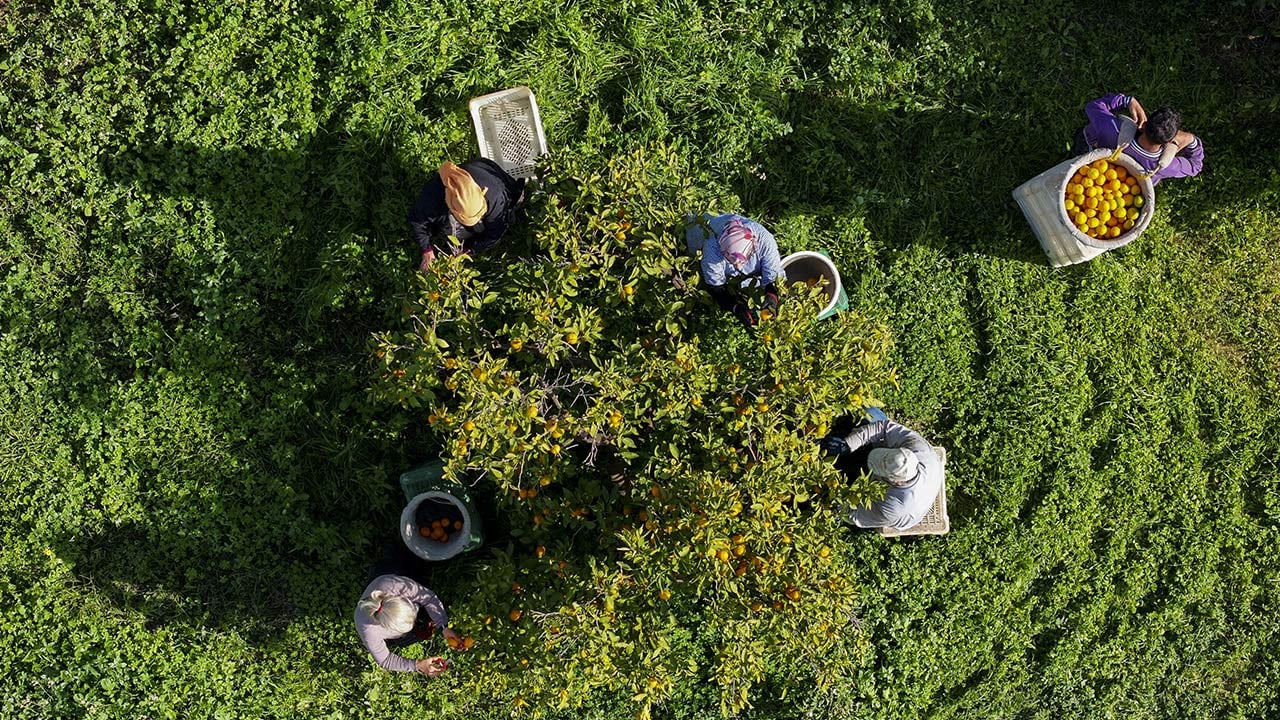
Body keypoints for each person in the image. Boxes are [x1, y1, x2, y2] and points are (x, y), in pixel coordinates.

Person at [819, 409, 945, 531]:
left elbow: (855, 514)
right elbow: (884, 428)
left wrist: (834, 498)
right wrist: (848, 444)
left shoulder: (893, 507)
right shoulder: (917, 448)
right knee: (871, 413)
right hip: (932, 473)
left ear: (895, 482)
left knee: (832, 507)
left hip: (906, 512)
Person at [408, 158, 526, 271]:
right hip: (480, 171)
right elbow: (417, 219)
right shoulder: (436, 191)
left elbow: (493, 235)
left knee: (460, 231)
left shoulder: (496, 200)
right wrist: (427, 250)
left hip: (502, 185)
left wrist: (468, 250)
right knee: (445, 225)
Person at [1071, 93, 1204, 184]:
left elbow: (1093, 106)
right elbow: (1196, 166)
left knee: (1084, 139)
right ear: (1168, 142)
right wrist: (1192, 140)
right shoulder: (1166, 166)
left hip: (1091, 161)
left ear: (1144, 124)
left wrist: (1127, 101)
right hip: (1127, 187)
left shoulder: (1111, 129)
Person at [684, 213, 784, 328]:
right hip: (702, 233)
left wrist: (772, 295)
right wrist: (735, 307)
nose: (738, 266)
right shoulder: (711, 249)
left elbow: (772, 278)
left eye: (741, 262)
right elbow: (716, 287)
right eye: (732, 261)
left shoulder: (765, 242)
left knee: (778, 281)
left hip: (756, 256)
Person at [355, 573, 462, 674]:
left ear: (401, 599)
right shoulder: (368, 630)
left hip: (389, 576)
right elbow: (385, 659)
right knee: (409, 638)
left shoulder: (396, 586)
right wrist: (418, 665)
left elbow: (428, 598)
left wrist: (443, 626)